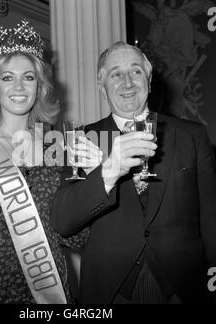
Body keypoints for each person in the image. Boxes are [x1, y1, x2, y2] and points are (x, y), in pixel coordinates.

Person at [0, 19, 99, 304]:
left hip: (50, 287)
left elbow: (76, 238)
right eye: (7, 77)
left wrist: (88, 177)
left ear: (40, 87)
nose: (19, 86)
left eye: (28, 77)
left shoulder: (58, 148)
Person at [51, 41, 216, 304]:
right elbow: (62, 220)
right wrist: (107, 172)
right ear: (102, 88)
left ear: (149, 81)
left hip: (184, 287)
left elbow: (211, 217)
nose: (127, 82)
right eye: (116, 74)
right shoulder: (82, 139)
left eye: (136, 71)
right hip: (110, 290)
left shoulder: (191, 135)